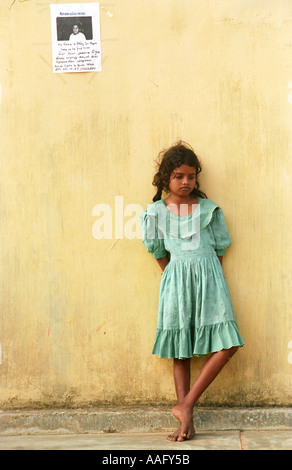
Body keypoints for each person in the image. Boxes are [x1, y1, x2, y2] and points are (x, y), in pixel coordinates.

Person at [140, 141, 244, 442]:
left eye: (190, 176)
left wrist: (207, 273)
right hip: (175, 282)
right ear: (165, 178)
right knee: (180, 349)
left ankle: (185, 405)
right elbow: (158, 251)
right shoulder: (157, 213)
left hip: (211, 280)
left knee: (228, 345)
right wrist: (176, 275)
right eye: (178, 176)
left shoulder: (209, 210)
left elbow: (221, 248)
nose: (185, 182)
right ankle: (187, 422)